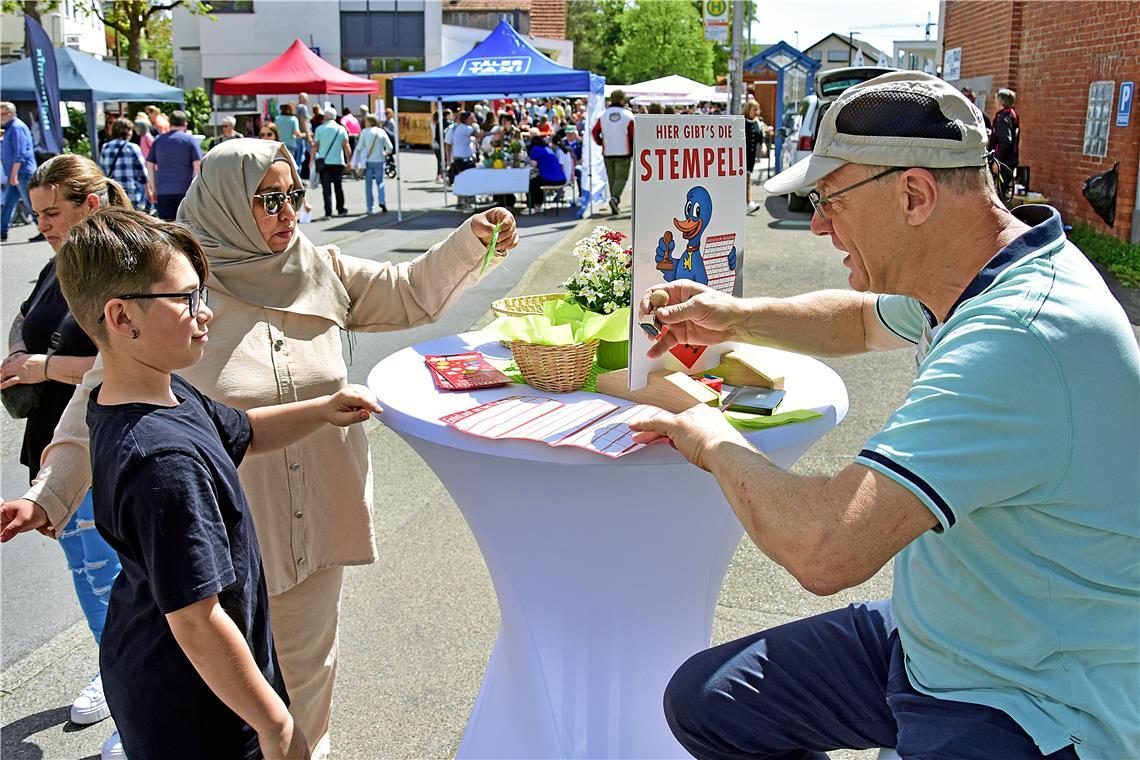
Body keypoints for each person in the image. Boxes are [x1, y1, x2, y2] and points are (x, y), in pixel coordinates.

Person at [628, 71, 1139, 760]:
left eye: (829, 197)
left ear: (915, 195)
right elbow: (858, 320)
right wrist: (731, 318)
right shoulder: (977, 275)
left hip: (1031, 698)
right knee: (708, 701)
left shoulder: (1021, 337)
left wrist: (709, 433)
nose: (818, 222)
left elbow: (826, 546)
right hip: (948, 638)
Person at [0, 138, 520, 759]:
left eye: (294, 195)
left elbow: (409, 291)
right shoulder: (172, 283)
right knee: (230, 698)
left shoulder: (318, 266)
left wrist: (472, 240)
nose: (288, 212)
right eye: (268, 199)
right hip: (221, 537)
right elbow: (97, 399)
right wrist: (47, 495)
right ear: (224, 202)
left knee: (307, 679)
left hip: (319, 516)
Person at [54, 206, 380, 759]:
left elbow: (244, 430)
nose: (204, 313)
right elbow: (197, 620)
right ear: (121, 316)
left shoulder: (158, 393)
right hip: (197, 709)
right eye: (185, 299)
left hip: (185, 679)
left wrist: (324, 409)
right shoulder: (162, 461)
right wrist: (275, 724)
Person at [1, 155, 130, 759]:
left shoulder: (122, 266)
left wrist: (41, 367)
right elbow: (27, 320)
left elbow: (134, 359)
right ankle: (117, 675)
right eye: (36, 213)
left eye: (54, 212)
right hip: (54, 447)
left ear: (91, 205)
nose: (43, 224)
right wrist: (20, 348)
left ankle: (133, 697)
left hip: (100, 447)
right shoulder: (62, 265)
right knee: (88, 577)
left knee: (117, 580)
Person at [146, 109, 202, 221]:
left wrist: (153, 188)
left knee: (168, 228)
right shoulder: (189, 140)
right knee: (186, 227)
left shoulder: (158, 140)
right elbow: (198, 166)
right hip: (185, 191)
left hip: (163, 191)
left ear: (170, 124)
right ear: (185, 124)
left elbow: (150, 165)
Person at [1, 101, 42, 243]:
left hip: (21, 172)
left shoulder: (16, 127)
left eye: (3, 114)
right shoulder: (10, 128)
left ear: (12, 113)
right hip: (16, 173)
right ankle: (2, 231)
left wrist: (13, 174)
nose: (1, 117)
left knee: (32, 204)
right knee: (8, 203)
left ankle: (42, 229)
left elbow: (20, 153)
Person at [591, 89, 634, 215]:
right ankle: (615, 199)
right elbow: (633, 134)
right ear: (622, 100)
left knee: (612, 179)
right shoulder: (628, 115)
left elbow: (594, 132)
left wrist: (601, 142)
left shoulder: (602, 115)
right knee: (621, 178)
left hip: (608, 151)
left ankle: (614, 201)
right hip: (624, 152)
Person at [98, 118, 149, 209]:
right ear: (128, 132)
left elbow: (102, 171)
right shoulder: (132, 147)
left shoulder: (105, 147)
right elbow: (143, 172)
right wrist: (148, 190)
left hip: (112, 192)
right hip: (130, 192)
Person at [312, 106, 351, 217]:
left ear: (325, 116)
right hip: (338, 161)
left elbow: (315, 146)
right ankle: (340, 208)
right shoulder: (341, 129)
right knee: (338, 186)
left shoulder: (319, 129)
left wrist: (311, 160)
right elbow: (346, 147)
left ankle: (328, 211)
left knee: (326, 188)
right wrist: (349, 161)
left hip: (324, 162)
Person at [354, 114, 393, 214]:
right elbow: (390, 147)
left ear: (370, 122)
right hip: (379, 160)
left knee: (368, 185)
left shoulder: (364, 132)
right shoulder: (381, 131)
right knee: (380, 182)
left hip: (368, 161)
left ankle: (370, 207)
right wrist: (385, 153)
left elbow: (359, 147)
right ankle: (381, 200)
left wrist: (356, 160)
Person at [989, 87, 1020, 204]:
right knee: (1000, 194)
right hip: (1011, 160)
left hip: (1003, 162)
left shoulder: (1003, 117)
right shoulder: (1013, 115)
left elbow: (1006, 141)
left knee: (997, 197)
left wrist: (997, 161)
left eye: (996, 100)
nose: (995, 103)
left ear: (1001, 102)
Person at [526, 132, 567, 210]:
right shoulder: (548, 149)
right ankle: (537, 205)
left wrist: (528, 159)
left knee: (533, 182)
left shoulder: (536, 149)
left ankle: (534, 205)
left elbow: (533, 164)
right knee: (536, 181)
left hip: (551, 179)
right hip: (561, 178)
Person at [743, 100, 764, 214]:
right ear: (748, 109)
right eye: (754, 109)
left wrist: (763, 146)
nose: (757, 112)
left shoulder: (758, 123)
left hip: (750, 157)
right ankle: (747, 201)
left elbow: (760, 138)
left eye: (758, 109)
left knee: (747, 179)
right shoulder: (741, 121)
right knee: (745, 180)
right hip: (740, 156)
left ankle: (747, 202)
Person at [275, 103, 304, 168]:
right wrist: (303, 135)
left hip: (279, 145)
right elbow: (297, 133)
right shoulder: (293, 119)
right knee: (291, 165)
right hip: (291, 145)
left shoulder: (277, 118)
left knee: (281, 164)